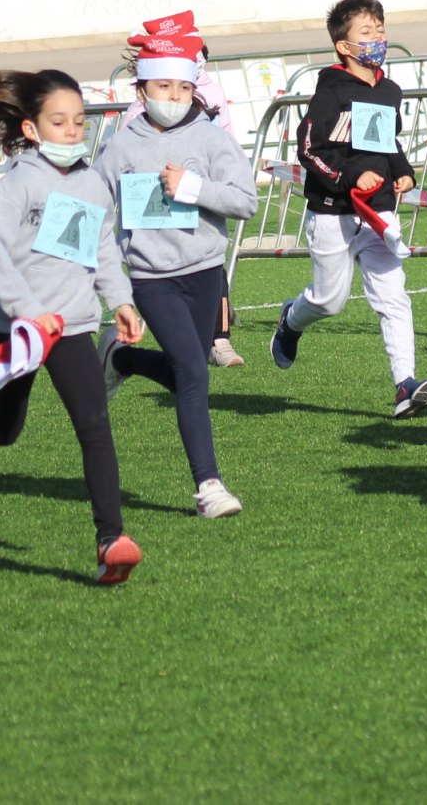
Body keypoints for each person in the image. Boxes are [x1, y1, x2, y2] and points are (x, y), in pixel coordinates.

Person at [0, 69, 147, 586]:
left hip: (74, 327)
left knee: (95, 428)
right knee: (7, 428)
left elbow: (101, 250)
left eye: (78, 121)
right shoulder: (16, 185)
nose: (72, 130)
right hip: (19, 330)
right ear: (32, 129)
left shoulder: (90, 183)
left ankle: (111, 542)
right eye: (59, 122)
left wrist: (119, 299)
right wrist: (27, 311)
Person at [95, 31, 258, 518]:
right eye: (164, 89)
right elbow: (98, 217)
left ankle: (121, 361)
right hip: (151, 278)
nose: (174, 99)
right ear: (141, 92)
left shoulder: (211, 138)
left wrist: (194, 187)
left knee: (192, 371)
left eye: (183, 89)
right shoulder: (120, 147)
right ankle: (209, 487)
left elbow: (246, 200)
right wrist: (115, 291)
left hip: (206, 271)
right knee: (190, 369)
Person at [267, 0, 427, 418]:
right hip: (333, 210)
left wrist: (403, 170)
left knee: (393, 298)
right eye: (366, 31)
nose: (377, 36)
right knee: (329, 301)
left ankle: (405, 385)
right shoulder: (330, 91)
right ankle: (291, 321)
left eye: (380, 28)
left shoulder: (389, 89)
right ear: (344, 46)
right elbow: (309, 150)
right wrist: (347, 179)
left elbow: (387, 141)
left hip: (378, 213)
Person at [121, 11, 243, 366]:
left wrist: (217, 182)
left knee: (211, 264)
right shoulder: (141, 106)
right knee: (164, 271)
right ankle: (129, 355)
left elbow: (227, 140)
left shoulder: (213, 91)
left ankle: (219, 340)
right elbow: (123, 159)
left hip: (201, 194)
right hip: (157, 206)